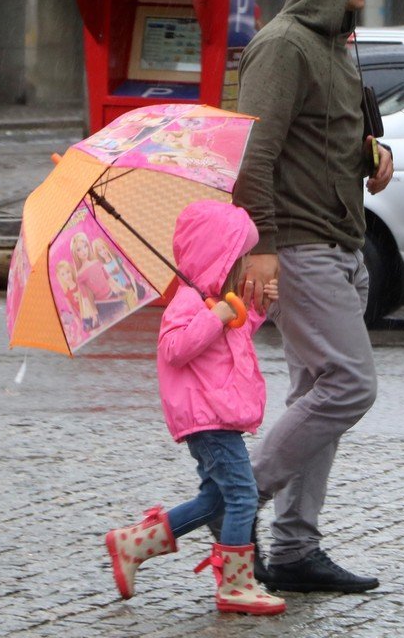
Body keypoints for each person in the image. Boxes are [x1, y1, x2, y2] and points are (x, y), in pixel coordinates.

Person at [231, 0, 394, 594]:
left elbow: (324, 141)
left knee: (315, 392)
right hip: (299, 248)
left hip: (343, 243)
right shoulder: (284, 47)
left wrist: (371, 155)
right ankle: (233, 507)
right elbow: (252, 155)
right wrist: (262, 248)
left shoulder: (334, 46)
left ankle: (295, 551)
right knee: (349, 385)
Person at [103, 200, 285, 616]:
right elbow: (175, 348)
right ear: (217, 257)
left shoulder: (215, 298)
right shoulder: (188, 301)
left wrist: (258, 308)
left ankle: (134, 545)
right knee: (242, 495)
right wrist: (216, 315)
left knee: (217, 499)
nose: (244, 266)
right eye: (238, 257)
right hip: (207, 420)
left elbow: (234, 335)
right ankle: (236, 584)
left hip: (220, 415)